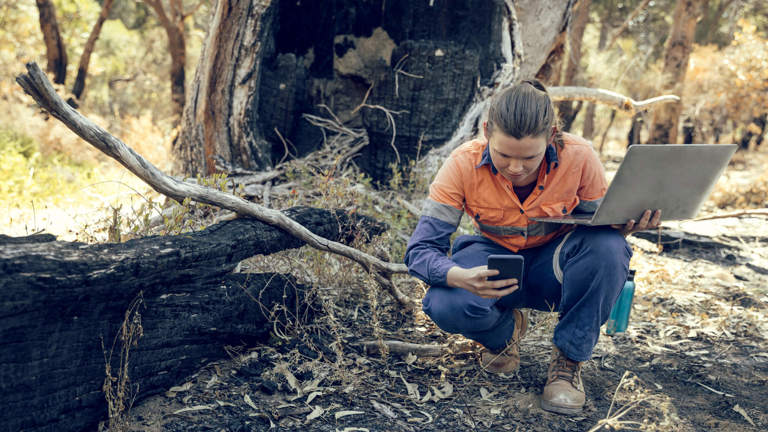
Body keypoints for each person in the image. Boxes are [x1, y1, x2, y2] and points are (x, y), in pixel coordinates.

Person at [403, 79, 661, 415]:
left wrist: (627, 225)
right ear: (486, 131)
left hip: (553, 269)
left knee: (610, 248)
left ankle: (568, 363)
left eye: (530, 157)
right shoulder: (462, 163)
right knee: (443, 302)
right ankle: (505, 335)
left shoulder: (580, 156)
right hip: (493, 265)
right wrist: (457, 276)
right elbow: (420, 250)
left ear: (552, 135)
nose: (515, 168)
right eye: (503, 154)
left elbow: (600, 241)